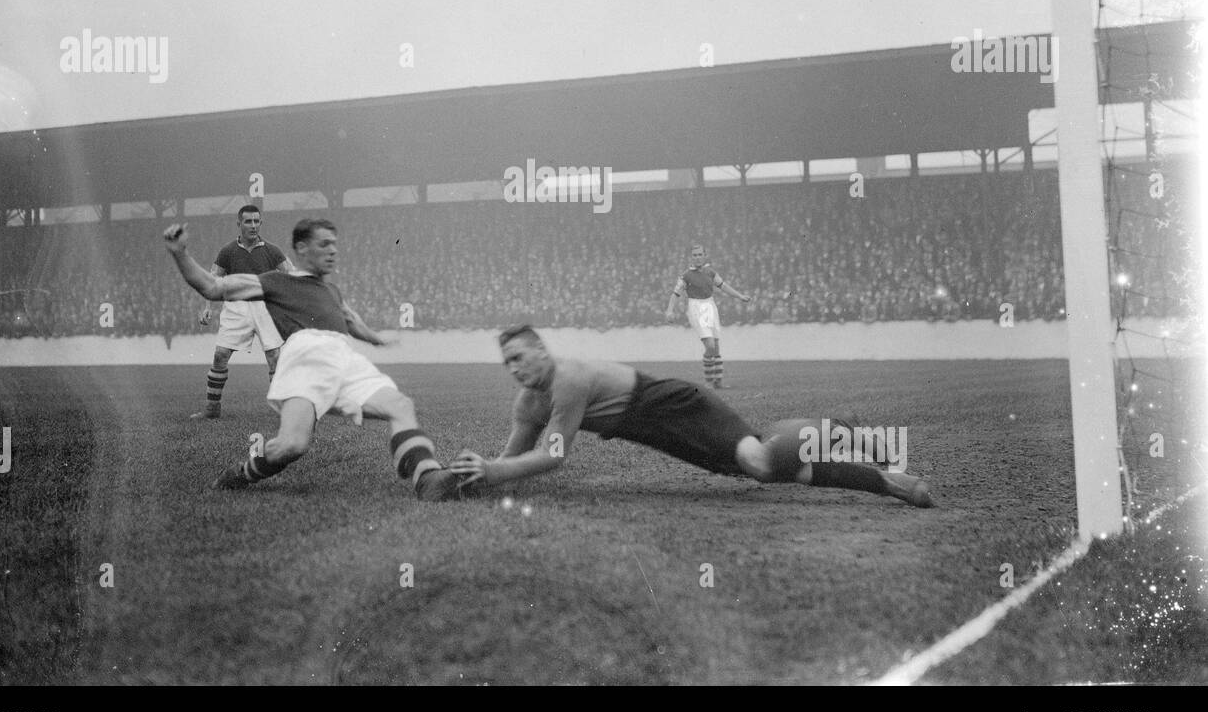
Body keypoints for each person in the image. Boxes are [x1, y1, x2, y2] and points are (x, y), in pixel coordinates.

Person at [449, 325, 932, 507]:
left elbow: (552, 455)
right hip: (666, 433)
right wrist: (475, 477)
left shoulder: (569, 379)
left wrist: (492, 471)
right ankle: (889, 482)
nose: (514, 369)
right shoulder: (528, 404)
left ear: (540, 350)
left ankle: (840, 430)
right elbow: (513, 458)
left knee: (764, 464)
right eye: (506, 362)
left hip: (679, 408)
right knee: (776, 469)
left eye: (519, 357)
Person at [162, 217, 463, 500]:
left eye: (334, 244)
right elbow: (213, 287)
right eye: (324, 244)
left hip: (344, 357)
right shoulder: (276, 281)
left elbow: (351, 321)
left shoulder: (331, 289)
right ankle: (240, 474)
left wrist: (377, 338)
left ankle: (428, 479)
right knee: (292, 445)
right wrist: (180, 253)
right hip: (304, 357)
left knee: (400, 405)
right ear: (302, 248)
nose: (332, 250)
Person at [193, 204, 295, 419]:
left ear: (261, 223)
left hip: (265, 307)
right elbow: (213, 280)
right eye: (248, 221)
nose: (253, 225)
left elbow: (292, 274)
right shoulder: (228, 251)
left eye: (256, 221)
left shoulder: (272, 250)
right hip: (236, 306)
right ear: (238, 224)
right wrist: (207, 308)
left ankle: (285, 411)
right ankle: (212, 409)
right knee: (220, 355)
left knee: (275, 357)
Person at [664, 244, 752, 388]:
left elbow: (724, 286)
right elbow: (676, 294)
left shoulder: (710, 272)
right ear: (690, 257)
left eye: (700, 254)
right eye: (695, 255)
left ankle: (718, 381)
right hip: (696, 307)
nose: (697, 258)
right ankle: (708, 380)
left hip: (710, 306)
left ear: (705, 256)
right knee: (710, 345)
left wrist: (740, 296)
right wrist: (669, 310)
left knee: (716, 346)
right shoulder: (686, 275)